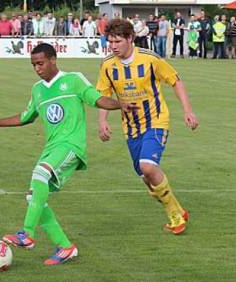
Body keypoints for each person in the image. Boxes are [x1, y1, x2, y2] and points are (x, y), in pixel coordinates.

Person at [0, 43, 138, 265]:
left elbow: (98, 99)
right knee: (35, 198)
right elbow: (25, 117)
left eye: (40, 63)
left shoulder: (73, 80)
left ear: (53, 60)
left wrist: (120, 105)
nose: (37, 68)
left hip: (71, 146)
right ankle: (65, 247)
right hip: (51, 149)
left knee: (40, 175)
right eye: (33, 65)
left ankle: (27, 233)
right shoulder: (37, 89)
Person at [96, 19, 199, 235]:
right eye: (110, 41)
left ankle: (174, 214)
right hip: (131, 128)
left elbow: (175, 80)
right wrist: (103, 121)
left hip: (156, 119)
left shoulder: (150, 59)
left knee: (148, 167)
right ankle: (178, 208)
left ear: (130, 39)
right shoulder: (107, 65)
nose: (113, 46)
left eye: (118, 41)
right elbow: (104, 95)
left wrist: (188, 110)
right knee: (146, 177)